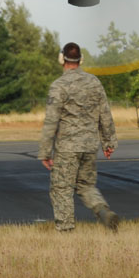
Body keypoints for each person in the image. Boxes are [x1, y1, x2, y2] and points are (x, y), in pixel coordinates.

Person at [38, 41, 119, 232]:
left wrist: (45, 152)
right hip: (90, 145)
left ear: (62, 59)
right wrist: (108, 142)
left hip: (67, 147)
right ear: (80, 59)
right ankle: (102, 210)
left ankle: (66, 230)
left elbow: (51, 121)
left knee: (62, 188)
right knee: (86, 186)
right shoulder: (94, 82)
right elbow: (105, 114)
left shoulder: (59, 86)